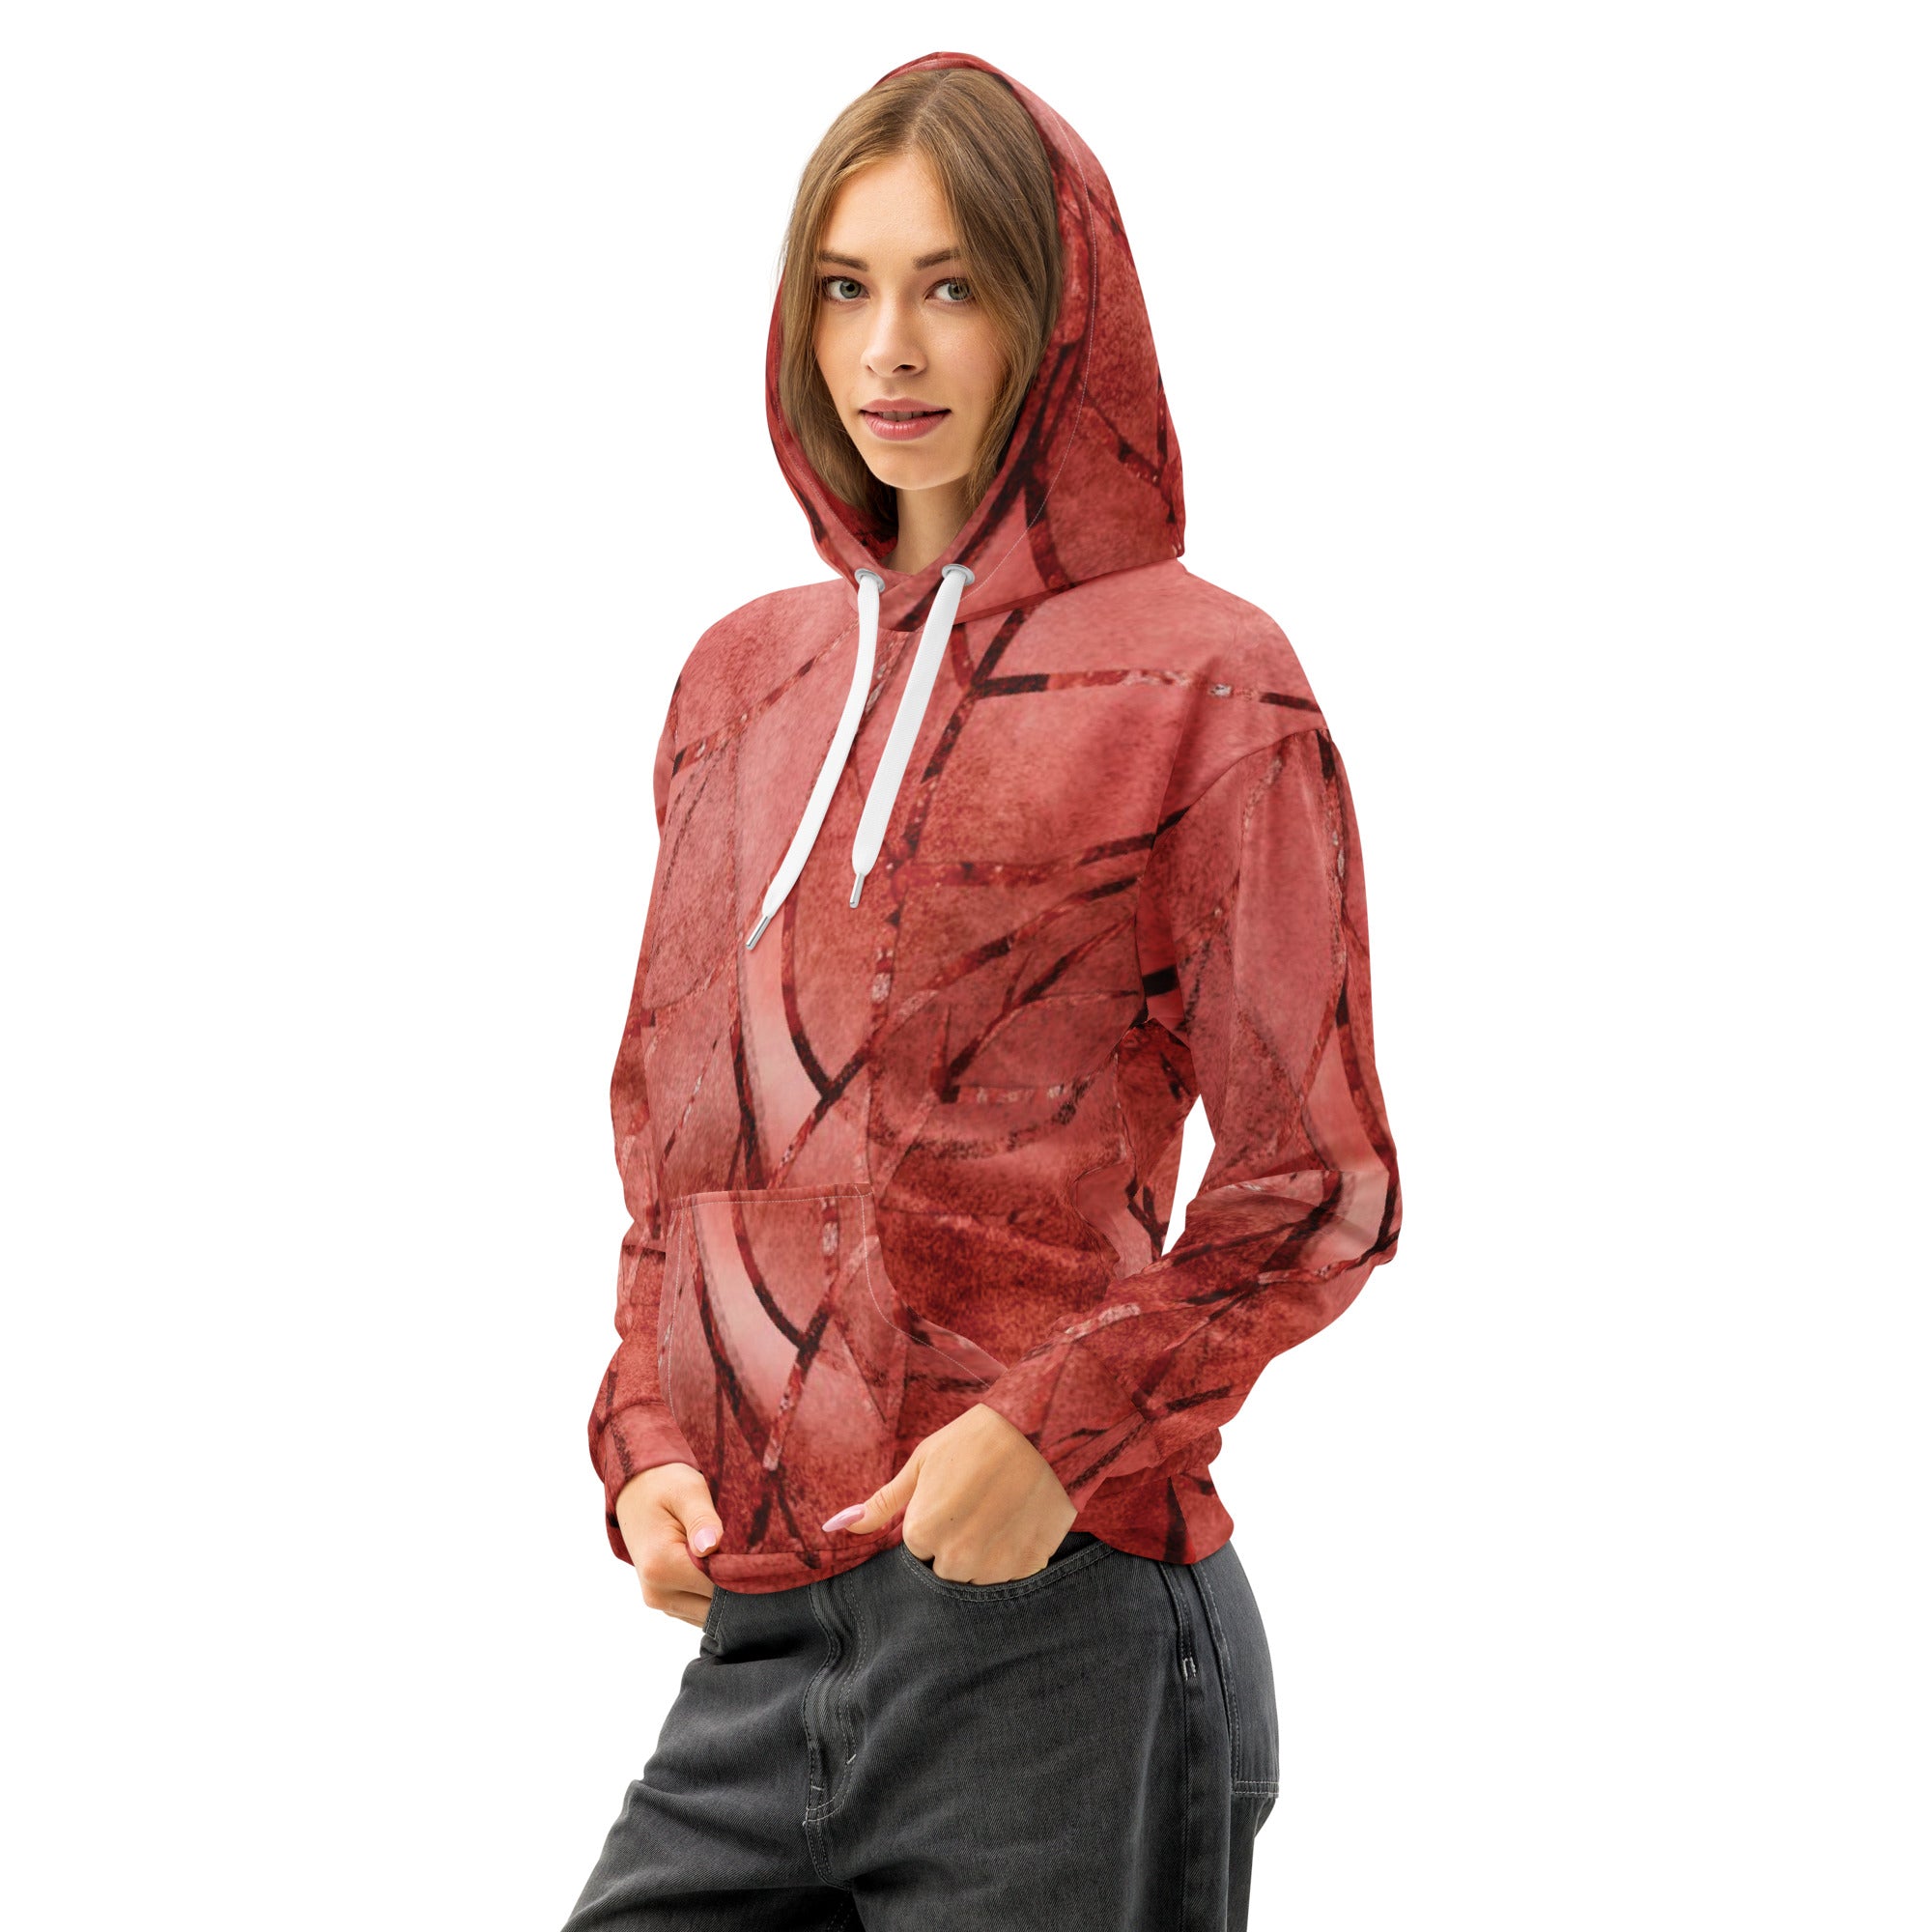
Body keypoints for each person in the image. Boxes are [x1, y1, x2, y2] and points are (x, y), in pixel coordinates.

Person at [563, 48, 1403, 1932]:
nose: (889, 348)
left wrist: (1056, 1431)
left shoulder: (1202, 680)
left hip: (1064, 1640)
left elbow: (1317, 1183)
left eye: (951, 285)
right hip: (761, 1644)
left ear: (1060, 307)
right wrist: (643, 1440)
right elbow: (674, 1158)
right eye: (844, 286)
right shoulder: (740, 686)